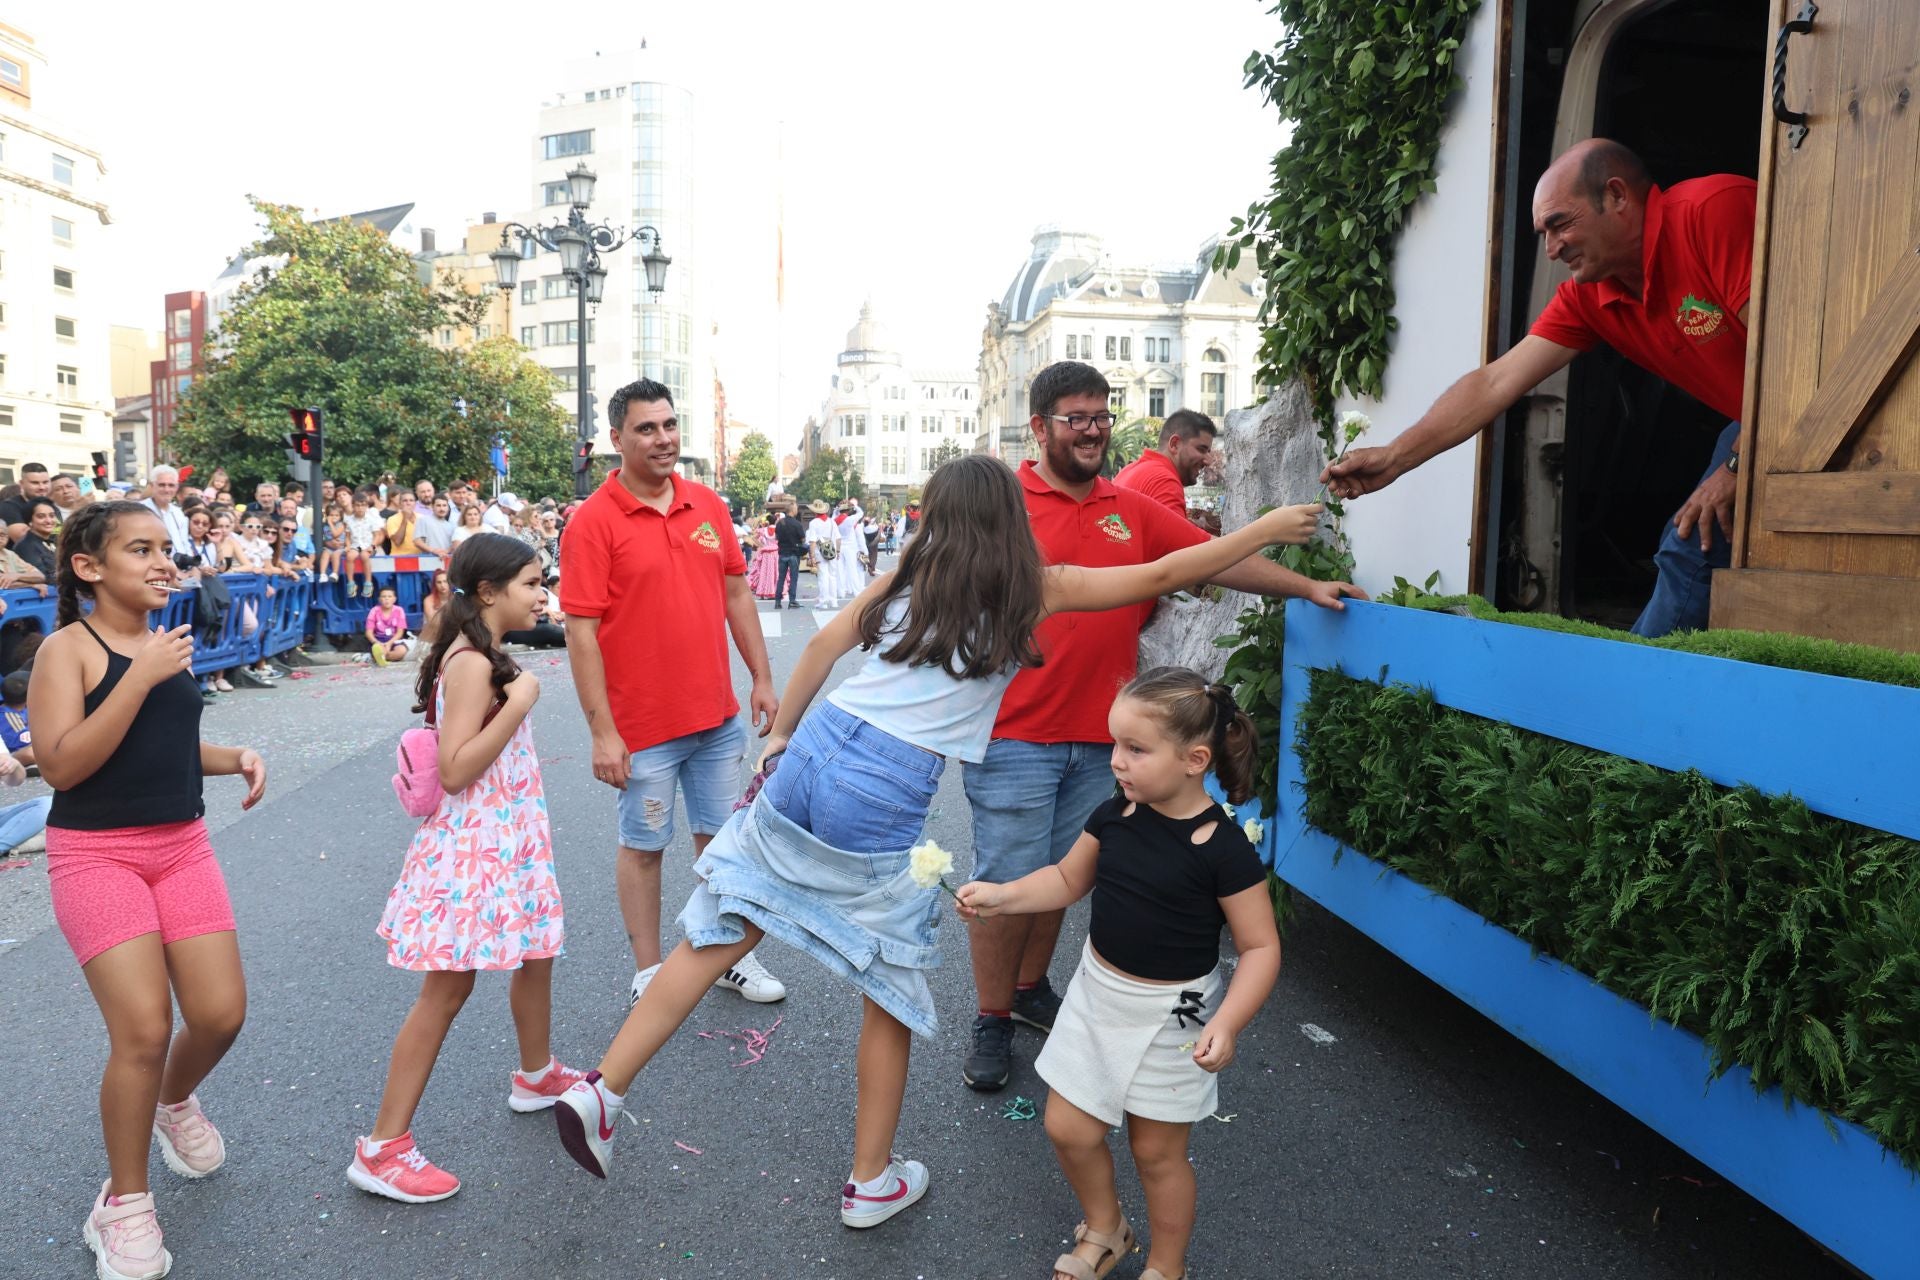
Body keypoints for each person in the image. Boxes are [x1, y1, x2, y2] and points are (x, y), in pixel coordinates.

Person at [546, 457, 1322, 1227]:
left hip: (822, 743)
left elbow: (818, 652)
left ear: (937, 517)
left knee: (723, 926)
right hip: (884, 779)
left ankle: (603, 1088)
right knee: (889, 987)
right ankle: (870, 1179)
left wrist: (781, 737)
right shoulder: (1035, 588)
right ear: (1009, 520)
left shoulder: (910, 576)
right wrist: (1263, 530)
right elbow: (1164, 572)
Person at [960, 361, 1363, 1094]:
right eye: (1075, 418)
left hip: (1112, 742)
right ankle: (990, 1015)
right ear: (1040, 426)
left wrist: (1305, 585)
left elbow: (1212, 559)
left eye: (1101, 416)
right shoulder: (1004, 503)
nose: (1092, 430)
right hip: (1012, 733)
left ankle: (1026, 990)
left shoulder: (1125, 505)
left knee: (1063, 875)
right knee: (1007, 878)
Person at [1323, 138, 1754, 637]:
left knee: (1689, 545)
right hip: (1757, 421)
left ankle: (1632, 696)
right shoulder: (1588, 297)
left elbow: (1793, 353)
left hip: (1815, 406)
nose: (1551, 248)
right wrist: (1396, 457)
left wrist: (1738, 463)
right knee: (1689, 545)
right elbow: (1495, 381)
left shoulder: (1711, 212)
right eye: (1543, 233)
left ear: (1617, 196)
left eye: (1560, 223)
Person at [956, 668, 1280, 1280]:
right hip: (1097, 996)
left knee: (1157, 1153)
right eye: (1115, 744)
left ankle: (1166, 1266)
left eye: (1135, 749)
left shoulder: (1223, 847)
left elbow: (1261, 947)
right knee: (1067, 1127)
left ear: (1195, 759)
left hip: (1173, 1015)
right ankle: (1106, 1229)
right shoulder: (1117, 814)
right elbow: (1065, 880)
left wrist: (1231, 1022)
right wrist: (1001, 896)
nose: (1116, 762)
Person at [30, 500, 266, 1280]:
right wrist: (139, 676)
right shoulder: (67, 650)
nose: (165, 561)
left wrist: (232, 756)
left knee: (220, 1015)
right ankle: (123, 1204)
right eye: (142, 549)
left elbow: (158, 744)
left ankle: (172, 1103)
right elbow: (63, 764)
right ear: (90, 569)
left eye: (168, 547)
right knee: (140, 1030)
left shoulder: (165, 645)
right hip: (96, 857)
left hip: (182, 846)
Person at [348, 533, 577, 1203]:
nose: (543, 595)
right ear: (488, 591)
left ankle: (536, 1073)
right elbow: (455, 769)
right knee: (446, 991)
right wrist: (523, 701)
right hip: (475, 846)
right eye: (533, 583)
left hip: (506, 838)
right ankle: (383, 1146)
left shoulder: (484, 654)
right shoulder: (473, 663)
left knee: (537, 951)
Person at [559, 378, 786, 1008]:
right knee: (645, 847)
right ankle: (649, 970)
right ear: (616, 440)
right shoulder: (593, 523)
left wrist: (762, 677)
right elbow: (581, 635)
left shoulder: (708, 506)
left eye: (668, 425)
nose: (662, 440)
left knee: (721, 843)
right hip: (643, 726)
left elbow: (737, 594)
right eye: (645, 429)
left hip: (714, 715)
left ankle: (723, 955)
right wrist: (602, 730)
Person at [1114, 410, 1218, 519]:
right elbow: (1176, 536)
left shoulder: (1130, 469)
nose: (1208, 461)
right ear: (1174, 444)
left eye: (1208, 452)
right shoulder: (1164, 481)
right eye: (1201, 449)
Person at [139, 465, 193, 554]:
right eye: (162, 485)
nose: (167, 490)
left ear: (176, 487)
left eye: (171, 485)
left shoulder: (178, 512)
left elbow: (184, 544)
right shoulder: (140, 511)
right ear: (152, 486)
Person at [0, 462, 51, 545]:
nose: (42, 487)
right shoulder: (9, 506)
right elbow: (24, 539)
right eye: (35, 483)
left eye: (45, 482)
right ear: (21, 483)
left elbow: (59, 534)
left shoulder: (51, 506)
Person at [344, 491, 383, 597]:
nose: (360, 508)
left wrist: (372, 546)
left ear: (366, 506)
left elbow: (377, 535)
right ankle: (351, 582)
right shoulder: (349, 520)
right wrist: (347, 545)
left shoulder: (371, 519)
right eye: (357, 505)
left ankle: (368, 582)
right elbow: (347, 536)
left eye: (363, 505)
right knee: (350, 556)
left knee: (364, 556)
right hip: (356, 545)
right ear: (353, 506)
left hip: (369, 545)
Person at [11, 499, 60, 580]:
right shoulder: (26, 546)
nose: (48, 521)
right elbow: (44, 577)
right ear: (30, 521)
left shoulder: (55, 542)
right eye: (41, 516)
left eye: (52, 516)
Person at [772, 503, 808, 609]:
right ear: (792, 510)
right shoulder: (797, 524)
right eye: (796, 508)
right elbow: (803, 539)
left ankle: (777, 602)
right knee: (793, 578)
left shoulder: (780, 523)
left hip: (782, 553)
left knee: (781, 578)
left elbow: (776, 538)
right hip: (793, 554)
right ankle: (792, 601)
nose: (797, 510)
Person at [804, 501, 839, 608]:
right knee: (832, 576)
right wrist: (838, 551)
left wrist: (812, 556)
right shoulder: (832, 522)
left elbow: (812, 541)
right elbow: (838, 538)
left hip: (820, 552)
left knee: (822, 577)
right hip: (832, 551)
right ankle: (834, 601)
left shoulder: (814, 523)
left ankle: (824, 601)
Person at [365, 587, 411, 667]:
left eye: (389, 596)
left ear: (394, 599)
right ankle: (381, 655)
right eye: (383, 596)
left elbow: (400, 632)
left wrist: (389, 643)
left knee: (401, 651)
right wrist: (377, 642)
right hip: (378, 639)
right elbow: (369, 633)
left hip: (395, 639)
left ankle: (380, 657)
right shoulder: (374, 611)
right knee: (379, 649)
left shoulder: (399, 610)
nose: (386, 599)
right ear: (379, 599)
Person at [834, 500, 868, 603]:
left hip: (839, 547)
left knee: (840, 570)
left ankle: (841, 592)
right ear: (848, 511)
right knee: (852, 569)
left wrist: (836, 509)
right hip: (850, 547)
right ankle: (856, 591)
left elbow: (834, 515)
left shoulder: (835, 520)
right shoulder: (850, 519)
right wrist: (855, 506)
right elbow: (861, 513)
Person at [747, 513, 780, 599]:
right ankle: (773, 591)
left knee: (764, 573)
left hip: (765, 553)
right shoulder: (778, 529)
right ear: (775, 521)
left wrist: (761, 545)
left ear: (768, 521)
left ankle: (762, 592)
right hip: (775, 553)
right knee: (774, 573)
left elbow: (753, 538)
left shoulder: (763, 530)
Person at [419, 568, 453, 643]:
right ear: (435, 585)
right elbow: (433, 622)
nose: (442, 585)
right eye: (439, 582)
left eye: (445, 581)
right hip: (431, 638)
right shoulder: (428, 600)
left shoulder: (456, 598)